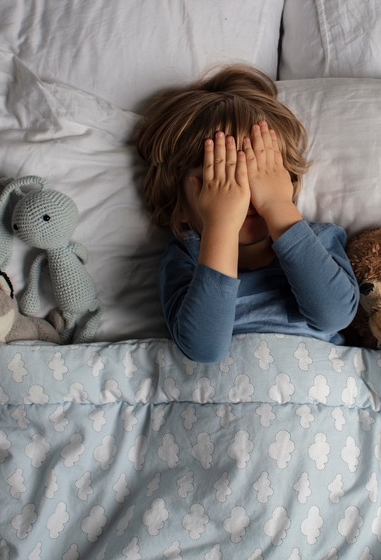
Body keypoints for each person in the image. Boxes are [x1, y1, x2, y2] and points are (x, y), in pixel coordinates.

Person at [135, 65, 359, 363]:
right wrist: (222, 225)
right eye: (224, 182)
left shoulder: (318, 240)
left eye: (259, 176)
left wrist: (278, 207)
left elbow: (334, 316)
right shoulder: (186, 256)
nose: (244, 196)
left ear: (285, 182)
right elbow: (203, 347)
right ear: (181, 209)